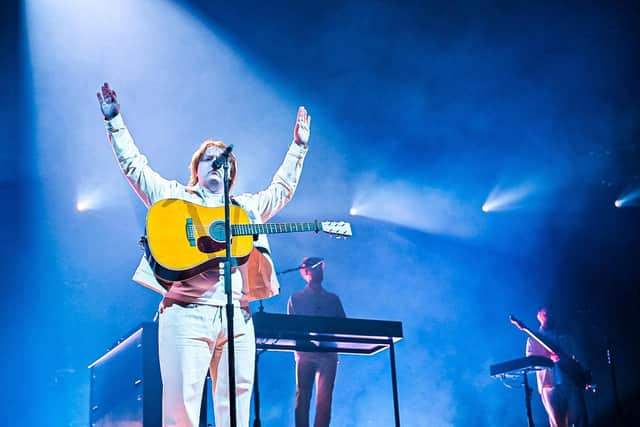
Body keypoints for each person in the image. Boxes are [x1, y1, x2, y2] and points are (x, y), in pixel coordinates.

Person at [97, 82, 311, 427]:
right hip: (185, 313)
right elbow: (135, 167)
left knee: (236, 413)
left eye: (222, 161)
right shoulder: (173, 199)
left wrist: (298, 147)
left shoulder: (245, 209)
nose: (216, 164)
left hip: (237, 317)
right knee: (182, 412)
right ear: (196, 168)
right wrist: (114, 121)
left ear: (231, 173)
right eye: (208, 159)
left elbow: (281, 190)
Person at [286, 257, 346, 427]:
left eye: (321, 267)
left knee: (324, 399)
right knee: (303, 396)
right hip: (305, 355)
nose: (320, 271)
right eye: (316, 268)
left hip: (328, 354)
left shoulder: (333, 299)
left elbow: (345, 326)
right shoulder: (297, 298)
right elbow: (292, 328)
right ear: (305, 271)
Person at [525, 306, 589, 427]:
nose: (548, 315)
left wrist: (585, 373)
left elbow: (579, 355)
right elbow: (531, 362)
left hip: (570, 382)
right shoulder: (533, 339)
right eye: (545, 313)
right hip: (549, 387)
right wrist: (549, 359)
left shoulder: (565, 335)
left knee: (580, 417)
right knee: (557, 423)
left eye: (550, 313)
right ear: (538, 316)